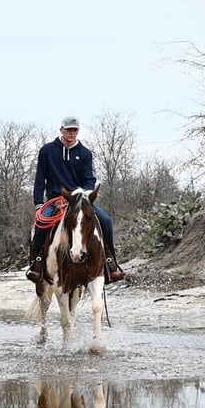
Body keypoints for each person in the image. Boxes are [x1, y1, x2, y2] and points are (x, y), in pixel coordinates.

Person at [26, 115, 125, 284]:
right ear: (61, 130)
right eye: (69, 130)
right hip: (55, 199)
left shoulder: (85, 153)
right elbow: (40, 178)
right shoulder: (47, 151)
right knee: (40, 225)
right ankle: (37, 262)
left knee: (106, 221)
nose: (72, 133)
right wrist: (38, 204)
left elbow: (89, 180)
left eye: (75, 130)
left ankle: (110, 262)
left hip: (79, 199)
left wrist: (81, 195)